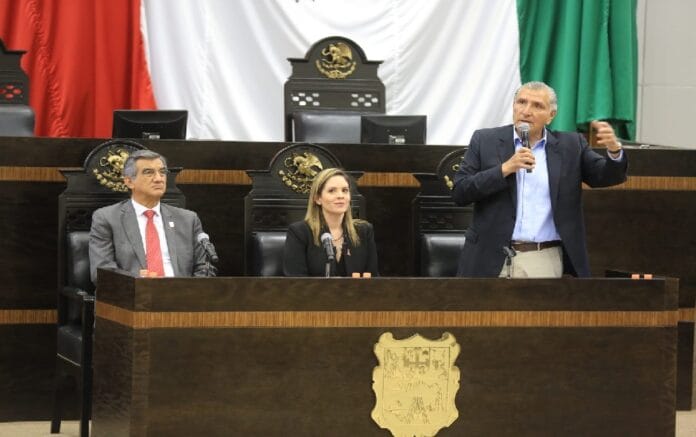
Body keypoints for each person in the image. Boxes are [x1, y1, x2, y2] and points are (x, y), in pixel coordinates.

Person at [452, 81, 627, 278]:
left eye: (537, 106)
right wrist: (505, 169)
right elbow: (460, 191)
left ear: (551, 115)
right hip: (488, 257)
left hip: (543, 257)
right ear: (513, 106)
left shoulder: (571, 146)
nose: (526, 111)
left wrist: (614, 152)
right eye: (521, 102)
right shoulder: (485, 140)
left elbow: (605, 176)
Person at [89, 149, 212, 283]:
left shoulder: (188, 219)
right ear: (129, 182)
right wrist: (137, 280)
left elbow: (204, 268)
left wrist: (190, 292)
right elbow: (101, 272)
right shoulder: (107, 218)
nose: (159, 179)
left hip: (180, 293)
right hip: (134, 293)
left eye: (162, 172)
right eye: (149, 173)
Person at [283, 168, 379, 277]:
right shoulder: (300, 232)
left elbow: (373, 277)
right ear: (318, 198)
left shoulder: (364, 231)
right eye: (332, 191)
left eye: (345, 190)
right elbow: (295, 281)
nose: (340, 196)